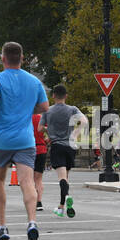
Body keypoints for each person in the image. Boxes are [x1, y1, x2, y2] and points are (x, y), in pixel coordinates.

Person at [0, 41, 46, 240]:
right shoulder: (34, 81)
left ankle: (2, 226)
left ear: (3, 58)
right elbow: (44, 106)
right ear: (22, 58)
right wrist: (28, 109)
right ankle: (31, 222)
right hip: (26, 140)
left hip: (1, 138)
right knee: (27, 182)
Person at [43, 84, 87, 219]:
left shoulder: (48, 111)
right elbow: (84, 121)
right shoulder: (73, 109)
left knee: (62, 177)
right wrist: (75, 134)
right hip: (70, 146)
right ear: (66, 96)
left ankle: (66, 197)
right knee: (66, 177)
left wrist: (49, 132)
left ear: (53, 96)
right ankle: (61, 206)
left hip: (57, 145)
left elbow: (40, 128)